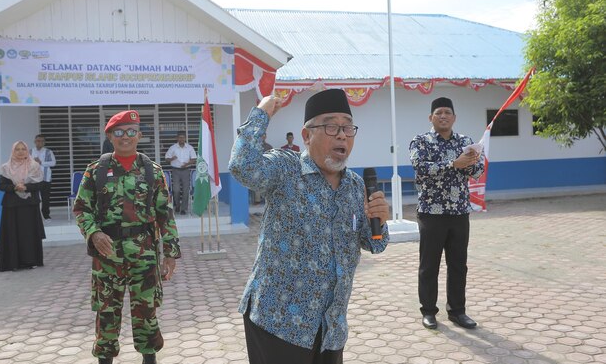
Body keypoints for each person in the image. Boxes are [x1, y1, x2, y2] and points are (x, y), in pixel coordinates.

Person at [229, 89, 390, 364]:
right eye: (331, 126)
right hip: (278, 324)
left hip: (330, 328)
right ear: (306, 135)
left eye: (347, 127)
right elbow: (243, 166)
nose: (342, 134)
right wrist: (261, 114)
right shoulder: (285, 169)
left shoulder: (355, 186)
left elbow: (375, 243)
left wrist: (381, 222)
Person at [73, 110, 181, 364]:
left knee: (146, 309)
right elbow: (81, 209)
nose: (125, 137)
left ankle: (149, 357)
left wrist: (171, 253)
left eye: (131, 132)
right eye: (119, 132)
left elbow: (165, 213)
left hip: (144, 252)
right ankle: (105, 358)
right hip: (107, 253)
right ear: (110, 136)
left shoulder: (152, 172)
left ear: (139, 135)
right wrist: (93, 232)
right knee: (106, 310)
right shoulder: (95, 171)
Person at [409, 97, 484, 330]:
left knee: (459, 264)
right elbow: (420, 166)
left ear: (454, 117)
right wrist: (454, 164)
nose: (443, 116)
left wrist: (470, 162)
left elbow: (478, 171)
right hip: (431, 213)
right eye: (439, 112)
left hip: (459, 212)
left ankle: (457, 312)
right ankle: (429, 312)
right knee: (429, 265)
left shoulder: (465, 142)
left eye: (447, 112)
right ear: (431, 117)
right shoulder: (421, 141)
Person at [0, 141, 45, 272]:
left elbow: (40, 185)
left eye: (23, 149)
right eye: (17, 149)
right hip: (12, 206)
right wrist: (14, 187)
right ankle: (13, 263)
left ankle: (31, 261)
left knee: (28, 234)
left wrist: (26, 187)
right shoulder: (5, 168)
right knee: (12, 234)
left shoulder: (34, 166)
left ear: (26, 151)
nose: (20, 152)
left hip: (29, 205)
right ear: (13, 151)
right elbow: (1, 186)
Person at [164, 131, 197, 215]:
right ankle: (177, 205)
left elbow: (194, 159)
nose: (181, 139)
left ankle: (183, 209)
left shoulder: (189, 148)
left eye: (183, 137)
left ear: (185, 138)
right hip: (175, 170)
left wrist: (187, 163)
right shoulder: (173, 148)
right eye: (180, 137)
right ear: (177, 138)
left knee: (186, 190)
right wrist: (172, 159)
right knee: (176, 189)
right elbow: (166, 159)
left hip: (186, 170)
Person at [30, 134, 56, 221]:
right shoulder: (30, 152)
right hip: (33, 179)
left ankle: (46, 215)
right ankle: (34, 216)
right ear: (34, 142)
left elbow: (53, 163)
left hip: (45, 178)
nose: (39, 143)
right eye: (37, 141)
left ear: (44, 142)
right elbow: (26, 163)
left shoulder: (48, 152)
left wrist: (41, 162)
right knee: (34, 198)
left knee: (45, 198)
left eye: (41, 141)